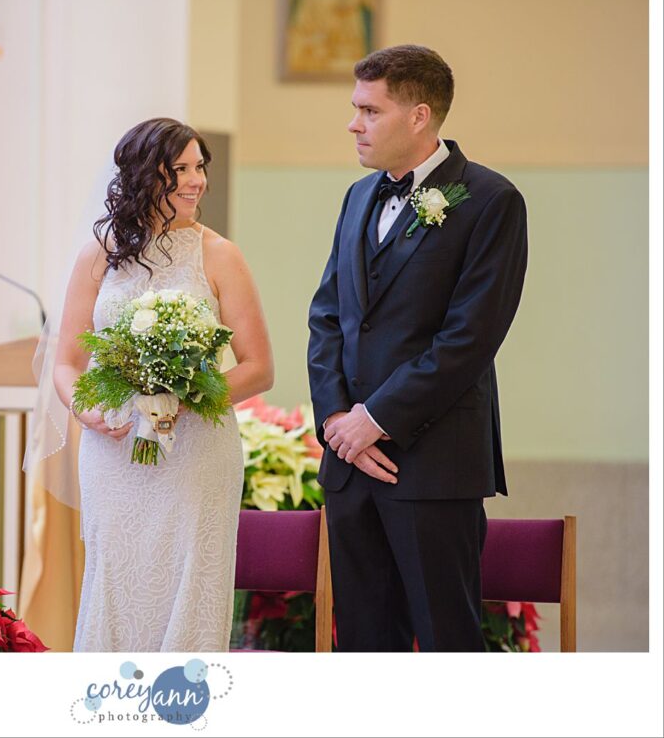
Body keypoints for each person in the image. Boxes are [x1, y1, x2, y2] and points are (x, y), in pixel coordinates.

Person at [307, 45, 527, 651]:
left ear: (418, 116)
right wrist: (336, 422)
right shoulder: (357, 197)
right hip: (351, 464)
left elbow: (470, 338)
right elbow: (327, 316)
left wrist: (375, 420)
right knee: (362, 641)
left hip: (432, 463)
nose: (354, 123)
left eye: (368, 111)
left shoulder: (490, 200)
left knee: (445, 639)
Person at [52, 118, 273, 652]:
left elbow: (259, 367)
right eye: (181, 170)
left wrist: (187, 397)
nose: (196, 181)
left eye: (200, 168)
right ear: (145, 176)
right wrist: (87, 413)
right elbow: (66, 363)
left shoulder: (219, 254)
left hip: (196, 452)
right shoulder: (99, 254)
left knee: (190, 584)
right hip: (116, 447)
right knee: (115, 587)